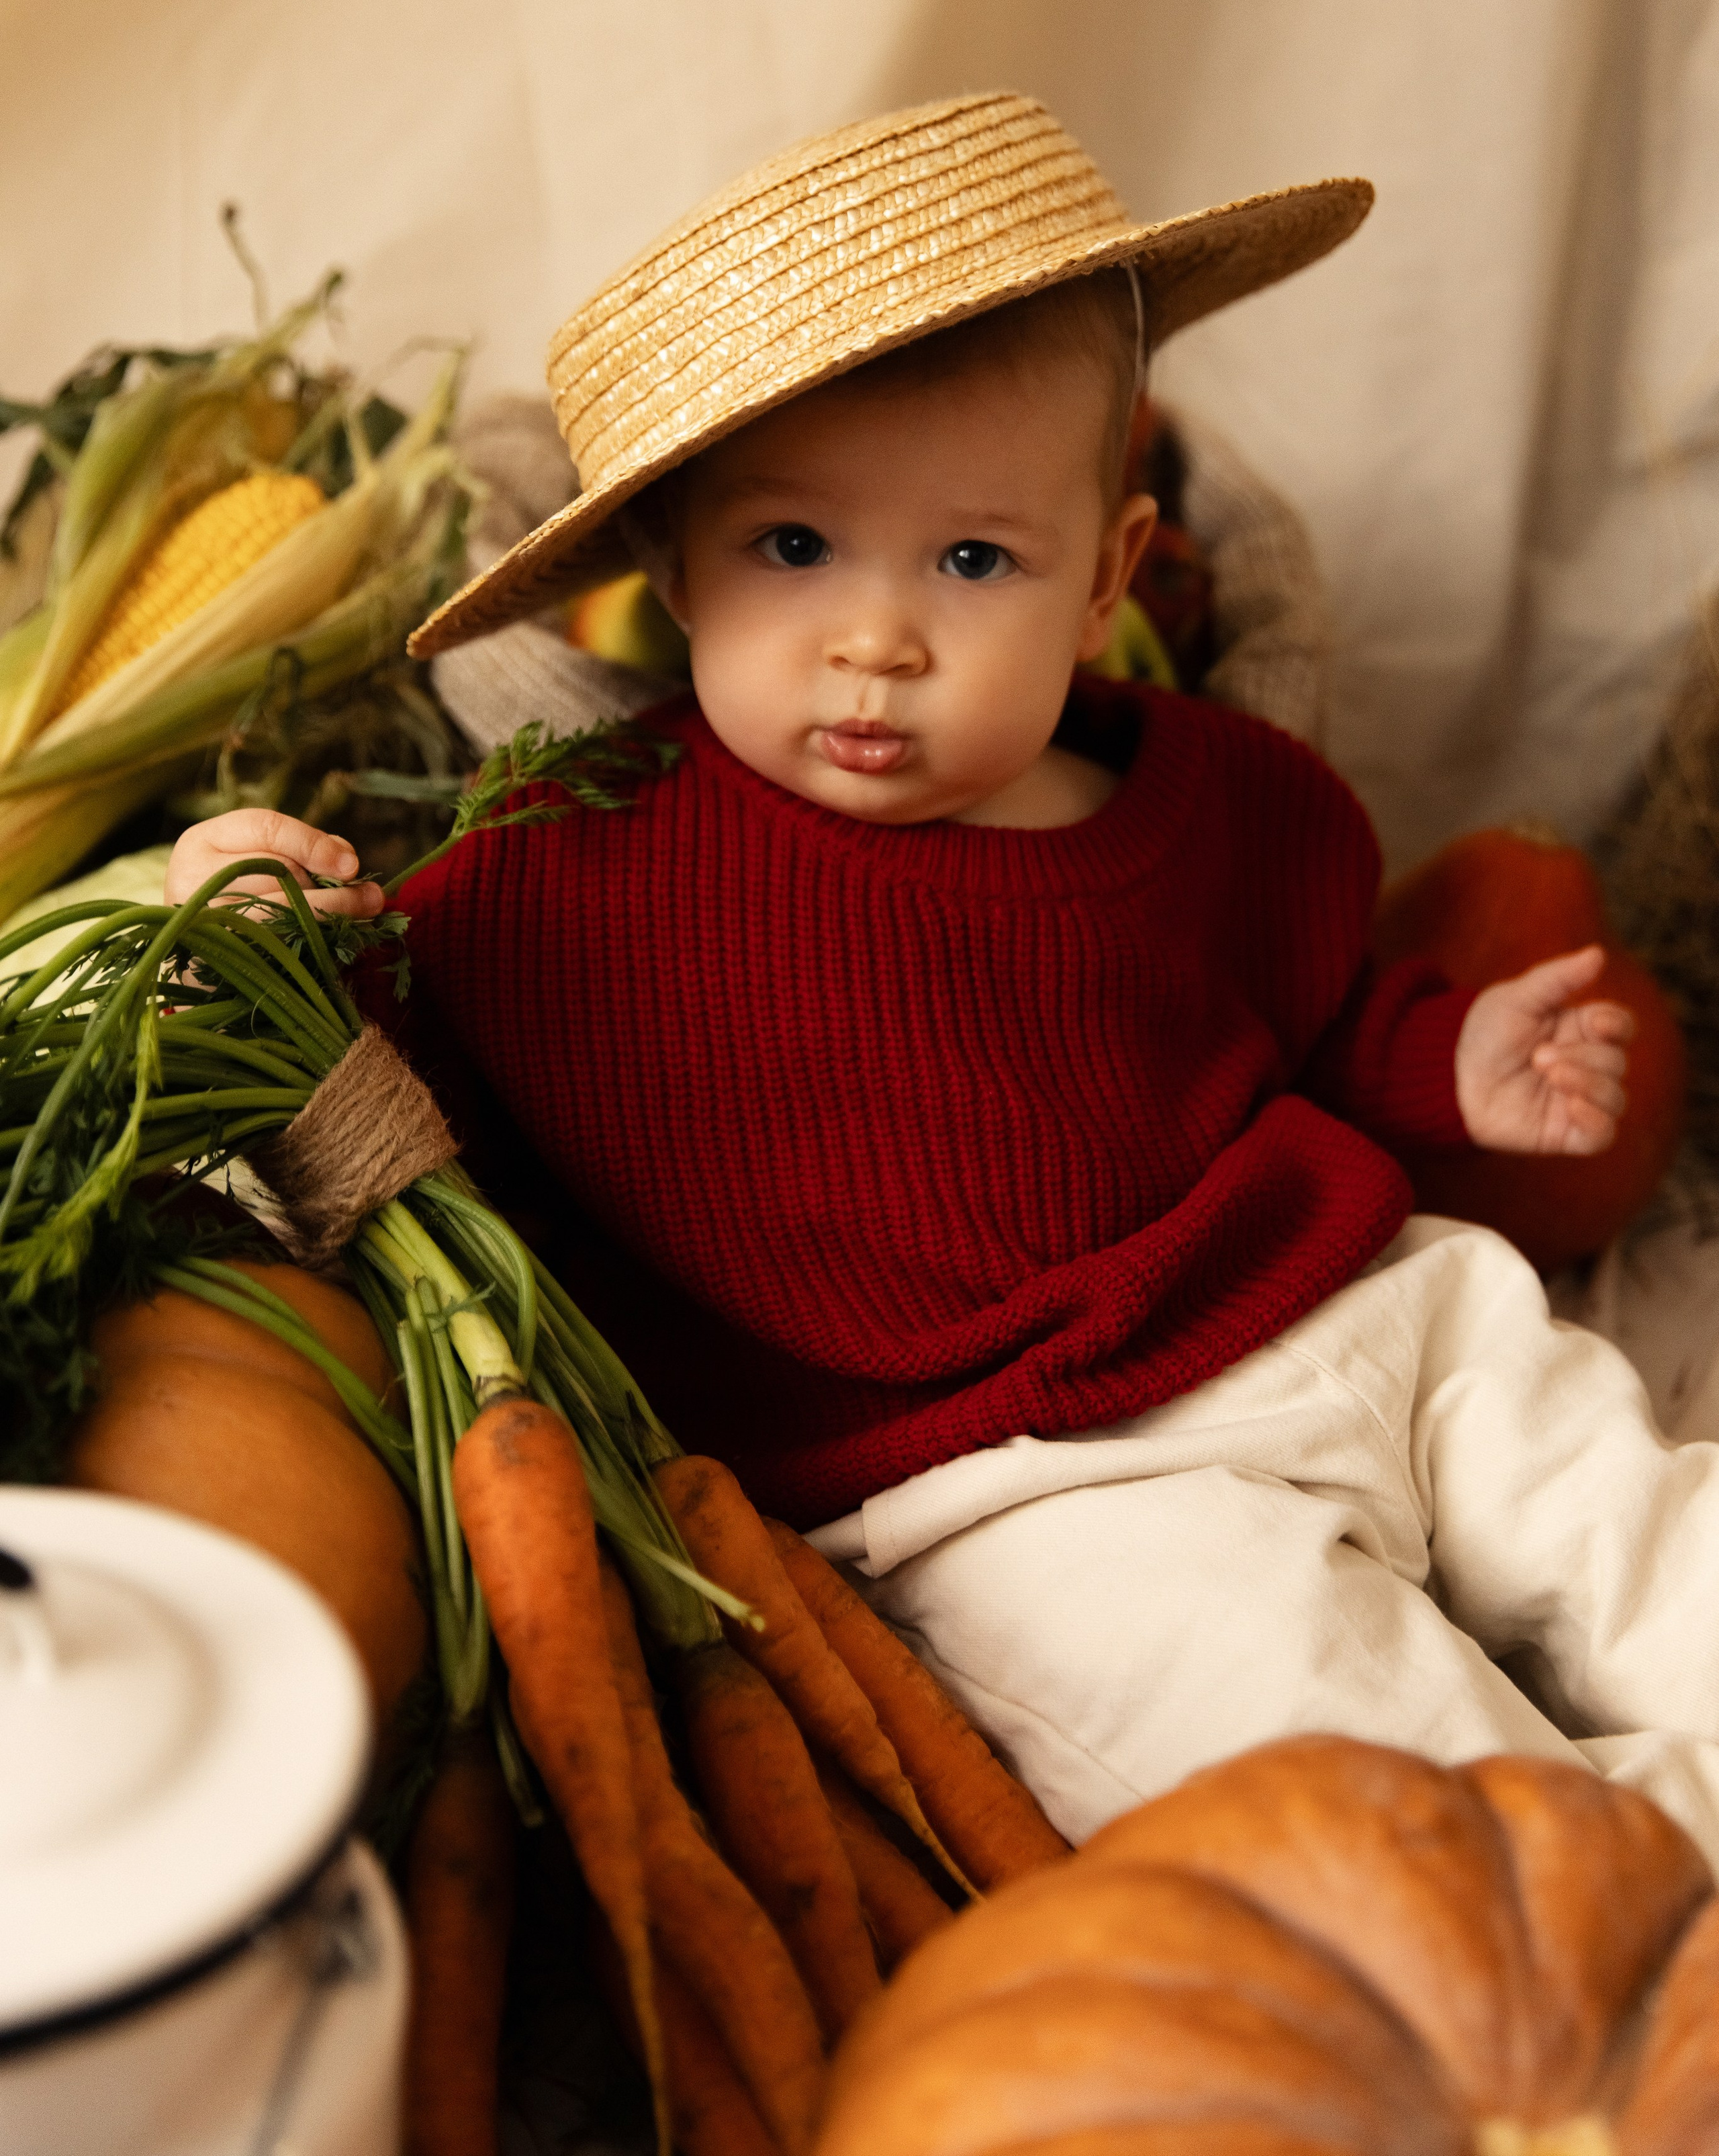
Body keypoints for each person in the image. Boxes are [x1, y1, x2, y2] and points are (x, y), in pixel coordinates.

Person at [167, 93, 1719, 1864]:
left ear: (1106, 580)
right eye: (793, 550)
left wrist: (1449, 1066)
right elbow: (380, 1054)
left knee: (1613, 1490)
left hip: (1343, 1292)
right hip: (1022, 1491)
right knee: (1360, 1780)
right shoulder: (573, 875)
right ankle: (1643, 1900)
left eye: (974, 559)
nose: (877, 638)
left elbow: (1285, 1009)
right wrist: (270, 920)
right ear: (671, 572)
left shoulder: (1208, 790)